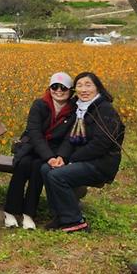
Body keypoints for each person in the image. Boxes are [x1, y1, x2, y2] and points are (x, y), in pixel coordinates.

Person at [41, 72, 124, 233]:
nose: (83, 89)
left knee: (56, 175)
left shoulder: (104, 109)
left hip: (100, 163)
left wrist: (72, 160)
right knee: (47, 169)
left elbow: (101, 144)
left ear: (97, 87)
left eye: (88, 85)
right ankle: (60, 215)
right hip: (83, 160)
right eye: (79, 85)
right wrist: (62, 158)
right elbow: (69, 139)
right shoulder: (79, 109)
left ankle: (75, 221)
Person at [4, 72, 76, 230]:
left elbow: (69, 137)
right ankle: (10, 211)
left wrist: (60, 157)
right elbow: (34, 133)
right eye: (54, 86)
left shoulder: (74, 111)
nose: (58, 90)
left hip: (53, 151)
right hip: (32, 147)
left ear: (71, 90)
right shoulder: (40, 104)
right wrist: (49, 157)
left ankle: (29, 214)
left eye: (63, 87)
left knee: (38, 169)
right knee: (23, 165)